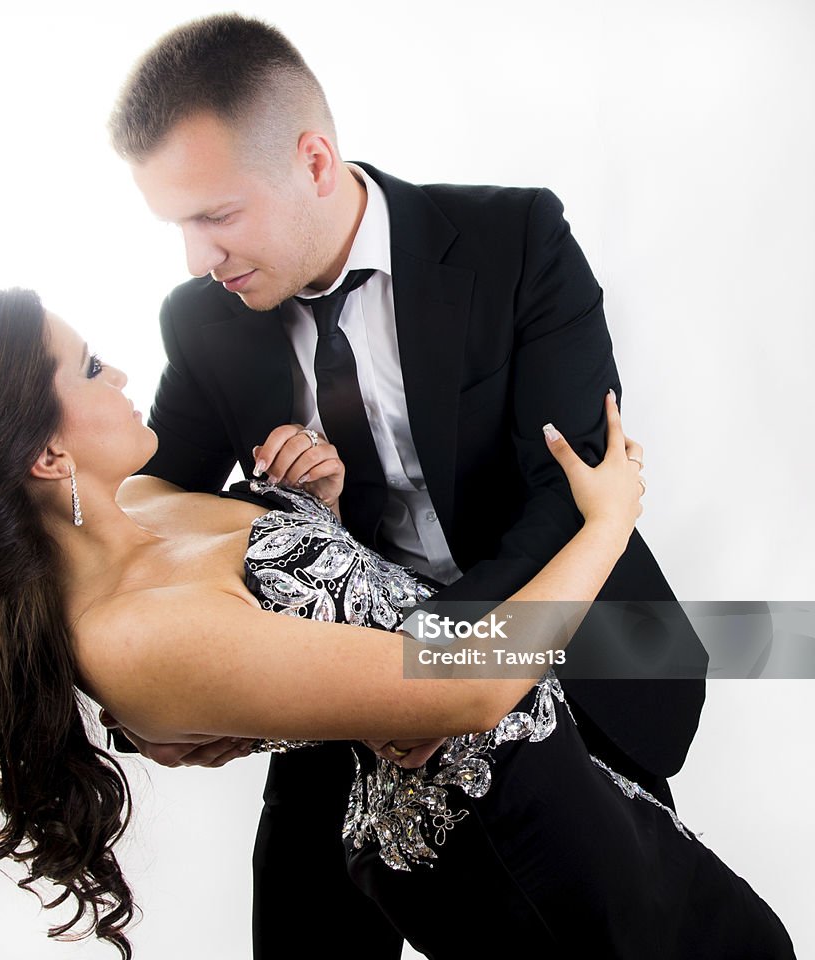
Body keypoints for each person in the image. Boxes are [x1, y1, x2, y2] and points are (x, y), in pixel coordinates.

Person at [0, 289, 794, 958]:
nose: (119, 376)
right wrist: (606, 518)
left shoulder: (140, 502)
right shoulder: (131, 634)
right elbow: (471, 682)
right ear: (43, 459)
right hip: (504, 839)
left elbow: (310, 608)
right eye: (90, 368)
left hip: (551, 765)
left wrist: (312, 499)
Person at [106, 14, 711, 958]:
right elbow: (136, 522)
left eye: (215, 215)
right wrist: (154, 699)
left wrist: (421, 676)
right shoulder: (203, 321)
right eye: (176, 224)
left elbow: (574, 493)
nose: (196, 258)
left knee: (613, 938)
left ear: (314, 160)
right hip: (343, 689)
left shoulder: (516, 236)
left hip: (559, 653)